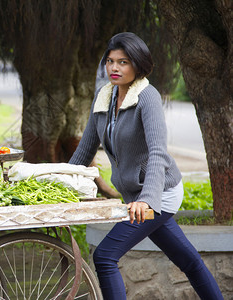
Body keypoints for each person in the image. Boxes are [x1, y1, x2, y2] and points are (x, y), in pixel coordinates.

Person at [69, 32, 223, 300]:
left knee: (105, 256)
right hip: (136, 198)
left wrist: (149, 202)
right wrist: (59, 183)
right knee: (189, 261)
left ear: (137, 64)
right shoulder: (104, 97)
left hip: (159, 193)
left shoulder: (147, 97)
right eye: (110, 61)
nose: (114, 68)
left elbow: (157, 153)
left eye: (123, 62)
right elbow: (85, 149)